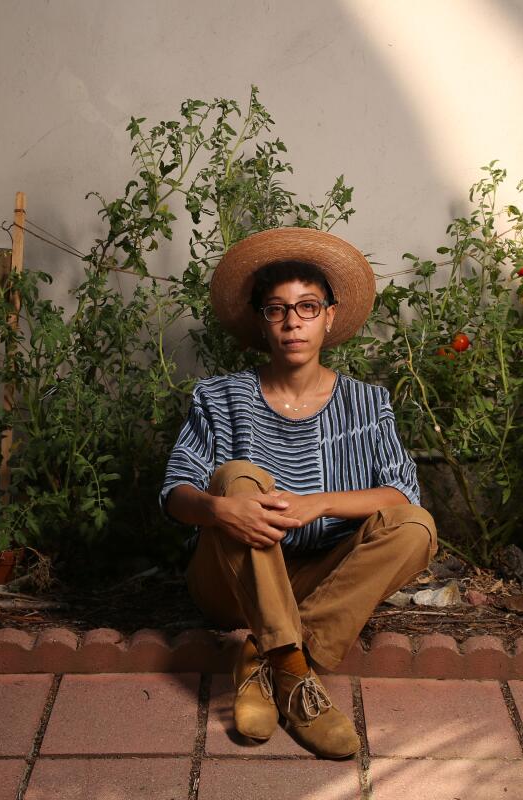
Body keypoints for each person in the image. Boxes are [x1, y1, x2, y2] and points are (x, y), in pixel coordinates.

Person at [159, 227, 438, 759]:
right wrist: (220, 509)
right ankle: (293, 673)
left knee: (418, 527)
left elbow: (402, 495)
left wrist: (321, 502)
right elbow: (174, 492)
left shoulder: (366, 401)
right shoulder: (221, 396)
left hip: (320, 576)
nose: (293, 322)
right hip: (229, 580)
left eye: (308, 307)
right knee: (239, 475)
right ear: (260, 321)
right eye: (277, 309)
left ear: (329, 317)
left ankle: (263, 655)